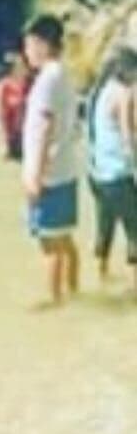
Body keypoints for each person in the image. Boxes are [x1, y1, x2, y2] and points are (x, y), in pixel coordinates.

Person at [21, 15, 80, 306]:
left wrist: (35, 174)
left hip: (50, 173)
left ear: (43, 44)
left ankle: (54, 300)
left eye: (29, 44)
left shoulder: (47, 80)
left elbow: (44, 126)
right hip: (64, 169)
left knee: (50, 243)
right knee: (64, 239)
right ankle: (72, 292)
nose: (26, 52)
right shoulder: (62, 75)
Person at [85, 47, 137, 291]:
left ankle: (100, 277)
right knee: (135, 231)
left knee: (105, 228)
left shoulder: (99, 92)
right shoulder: (124, 94)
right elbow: (128, 137)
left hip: (97, 174)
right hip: (118, 173)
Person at [0, 51, 32, 161]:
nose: (19, 69)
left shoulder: (33, 86)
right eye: (17, 66)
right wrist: (4, 144)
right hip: (11, 135)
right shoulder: (4, 87)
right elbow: (0, 116)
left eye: (22, 66)